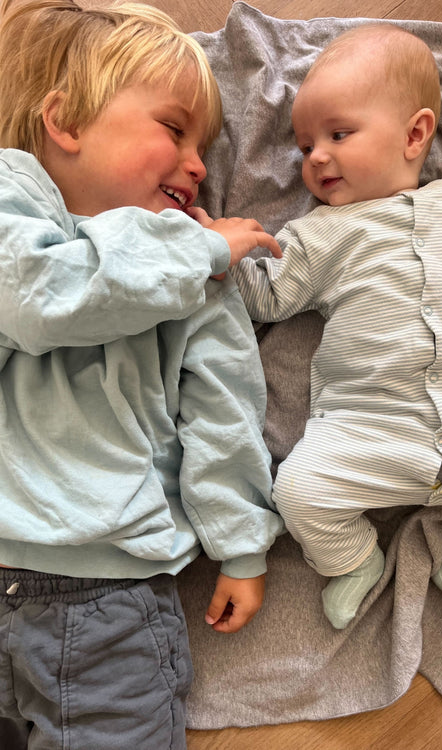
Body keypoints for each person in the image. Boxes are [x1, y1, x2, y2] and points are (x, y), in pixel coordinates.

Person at [0, 0, 284, 747]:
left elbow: (223, 411)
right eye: (174, 129)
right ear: (65, 121)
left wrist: (241, 542)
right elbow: (38, 302)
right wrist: (200, 251)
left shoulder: (199, 270)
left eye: (206, 146)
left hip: (109, 600)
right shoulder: (10, 204)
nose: (199, 165)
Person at [198, 23, 442, 635]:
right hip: (369, 428)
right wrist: (217, 253)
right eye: (305, 146)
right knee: (298, 491)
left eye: (338, 135)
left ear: (415, 134)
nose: (315, 157)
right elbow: (267, 297)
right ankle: (356, 560)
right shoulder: (320, 234)